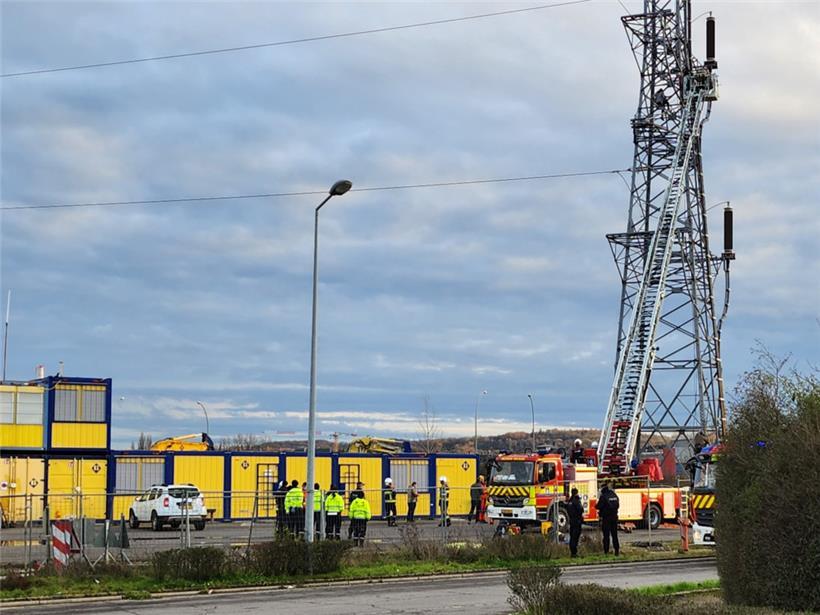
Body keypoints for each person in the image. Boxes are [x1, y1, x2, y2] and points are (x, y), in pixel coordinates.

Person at [596, 483, 620, 556]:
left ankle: (606, 551)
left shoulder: (603, 496)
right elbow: (618, 505)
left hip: (606, 518)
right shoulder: (613, 494)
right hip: (614, 517)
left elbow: (598, 506)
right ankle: (616, 550)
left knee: (606, 536)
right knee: (614, 535)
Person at [567, 487, 584, 557]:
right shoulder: (576, 500)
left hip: (572, 521)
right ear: (576, 493)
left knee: (572, 537)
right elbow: (580, 510)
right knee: (575, 537)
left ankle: (572, 552)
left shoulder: (570, 501)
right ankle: (574, 553)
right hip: (577, 521)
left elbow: (568, 510)